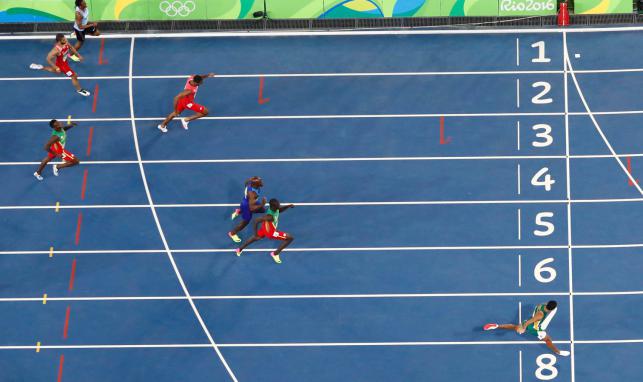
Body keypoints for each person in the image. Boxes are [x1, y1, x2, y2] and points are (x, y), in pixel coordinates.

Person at [484, 300, 570, 356]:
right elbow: (531, 321)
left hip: (530, 321)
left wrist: (523, 325)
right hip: (535, 328)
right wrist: (524, 328)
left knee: (515, 326)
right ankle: (557, 352)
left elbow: (532, 318)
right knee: (548, 340)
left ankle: (496, 326)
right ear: (551, 309)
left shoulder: (541, 305)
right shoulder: (540, 315)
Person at [236, 199, 294, 264]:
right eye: (278, 206)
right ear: (273, 207)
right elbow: (256, 221)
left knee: (253, 239)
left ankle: (239, 249)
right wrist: (255, 234)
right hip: (271, 233)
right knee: (290, 238)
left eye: (279, 205)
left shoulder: (274, 209)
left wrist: (288, 206)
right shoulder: (270, 217)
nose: (279, 206)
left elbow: (279, 210)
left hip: (265, 227)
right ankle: (275, 254)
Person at [228, 176, 265, 243]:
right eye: (260, 182)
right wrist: (262, 204)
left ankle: (239, 211)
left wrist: (253, 178)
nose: (262, 183)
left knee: (262, 210)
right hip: (247, 205)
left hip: (247, 201)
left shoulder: (250, 183)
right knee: (245, 222)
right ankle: (232, 233)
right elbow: (251, 208)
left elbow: (246, 182)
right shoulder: (252, 194)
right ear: (255, 184)